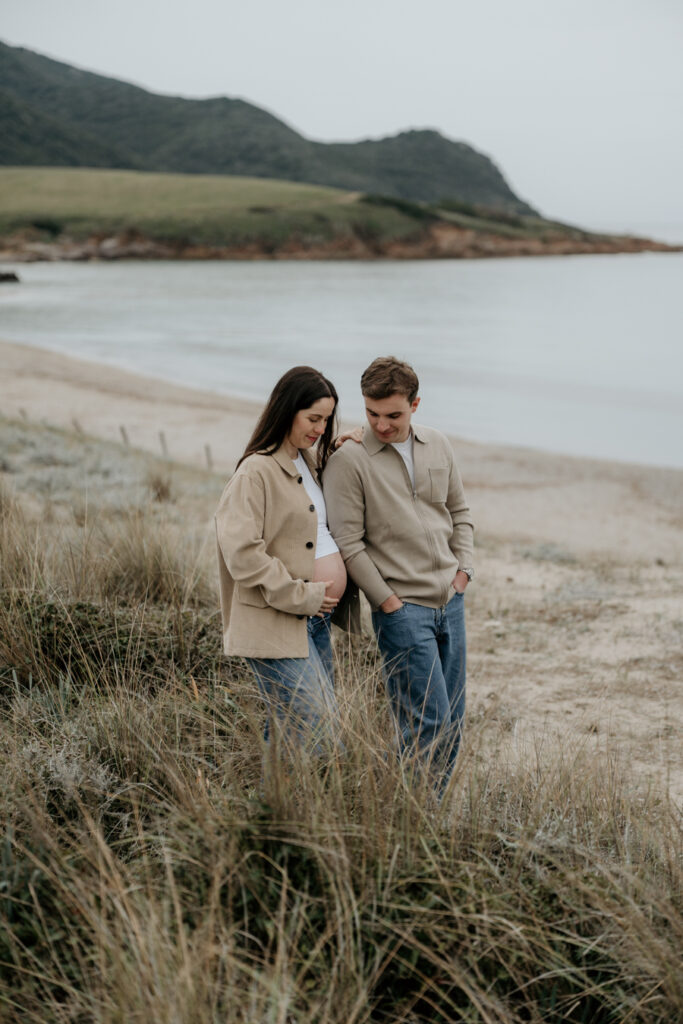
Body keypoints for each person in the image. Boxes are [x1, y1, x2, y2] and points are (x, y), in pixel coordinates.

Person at [323, 357, 474, 786]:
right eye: (371, 413)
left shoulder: (438, 444)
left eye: (393, 415)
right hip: (403, 611)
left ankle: (427, 808)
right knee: (427, 721)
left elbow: (460, 512)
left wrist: (464, 570)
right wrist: (387, 601)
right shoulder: (349, 460)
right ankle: (408, 808)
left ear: (415, 405)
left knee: (453, 718)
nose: (381, 425)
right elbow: (348, 543)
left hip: (451, 601)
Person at [215, 366, 358, 754]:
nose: (320, 428)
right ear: (287, 410)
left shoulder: (306, 462)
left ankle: (274, 795)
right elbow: (242, 554)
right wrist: (303, 595)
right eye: (313, 418)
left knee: (288, 733)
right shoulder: (255, 471)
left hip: (314, 621)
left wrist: (345, 447)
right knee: (320, 732)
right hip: (277, 621)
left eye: (326, 420)